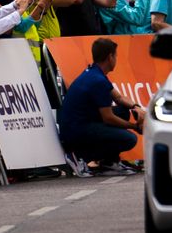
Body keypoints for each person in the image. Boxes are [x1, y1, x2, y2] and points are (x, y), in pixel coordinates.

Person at [57, 36, 145, 176]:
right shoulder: (98, 80)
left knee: (123, 111)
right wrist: (135, 127)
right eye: (116, 56)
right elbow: (108, 118)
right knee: (130, 139)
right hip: (75, 131)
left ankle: (110, 162)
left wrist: (136, 107)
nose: (116, 59)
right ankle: (80, 155)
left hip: (78, 123)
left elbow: (119, 97)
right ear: (110, 57)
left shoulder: (95, 72)